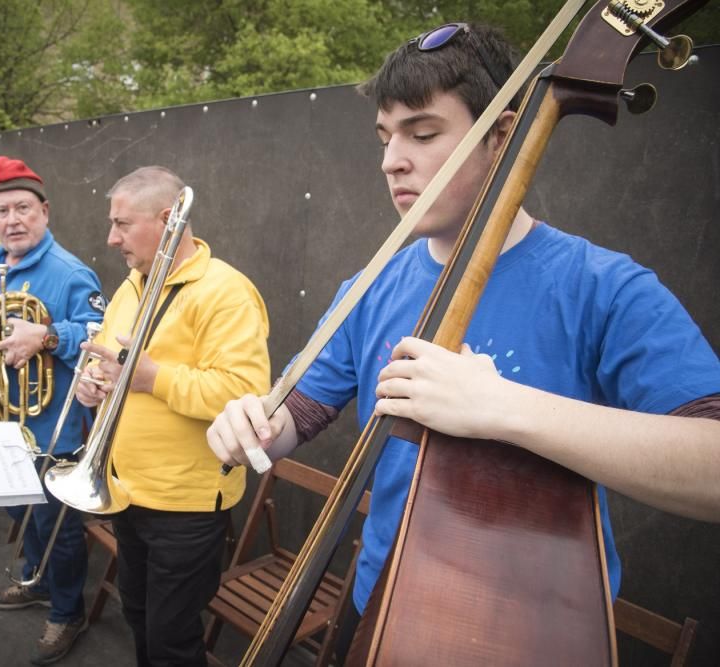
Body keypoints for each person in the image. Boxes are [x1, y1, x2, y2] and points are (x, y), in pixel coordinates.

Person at [206, 22, 720, 657]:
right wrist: (248, 423)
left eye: (423, 134)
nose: (392, 158)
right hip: (380, 608)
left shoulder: (603, 287)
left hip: (539, 632)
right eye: (385, 136)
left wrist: (503, 408)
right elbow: (294, 417)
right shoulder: (371, 285)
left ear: (502, 136)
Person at [74, 166, 271, 667]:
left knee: (172, 640)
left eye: (123, 223)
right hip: (126, 489)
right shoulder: (132, 285)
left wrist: (151, 379)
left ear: (167, 219)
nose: (111, 237)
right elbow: (116, 368)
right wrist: (96, 387)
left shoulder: (226, 291)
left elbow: (245, 393)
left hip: (184, 505)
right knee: (139, 613)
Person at [0, 156, 103, 665]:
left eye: (23, 208)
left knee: (57, 530)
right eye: (1, 211)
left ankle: (67, 611)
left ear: (44, 212)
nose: (12, 220)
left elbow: (97, 335)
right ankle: (38, 580)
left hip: (51, 428)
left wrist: (45, 336)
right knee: (19, 512)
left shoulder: (70, 272)